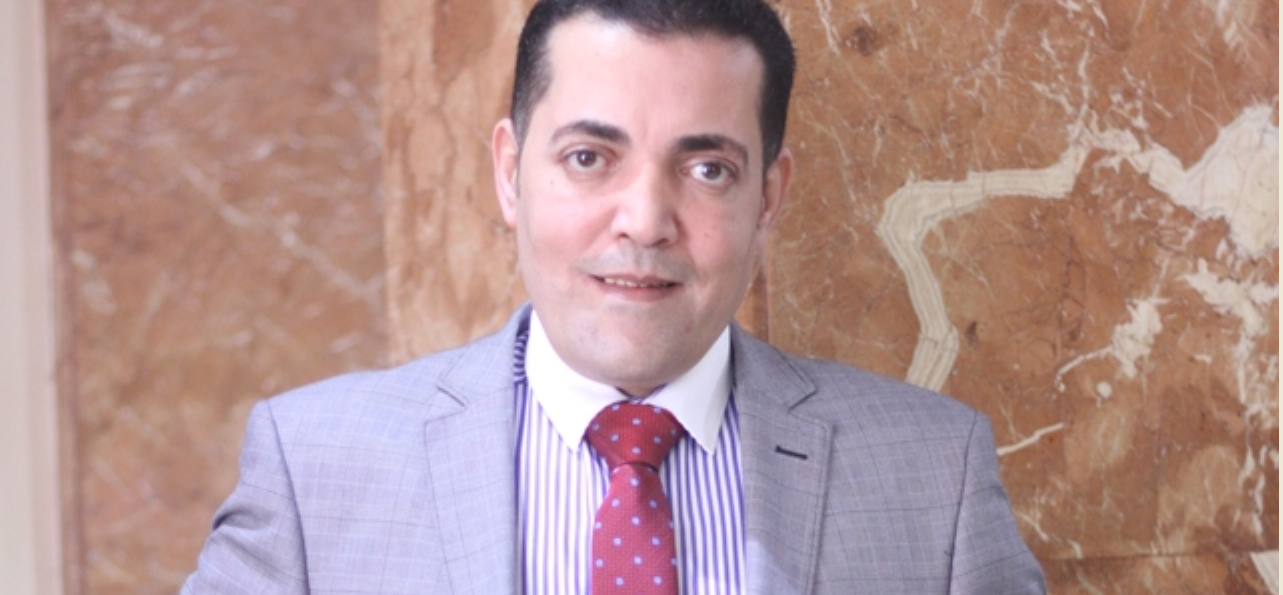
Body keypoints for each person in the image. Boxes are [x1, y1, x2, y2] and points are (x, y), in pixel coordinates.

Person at [181, 0, 1047, 593]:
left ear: (768, 196)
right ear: (509, 173)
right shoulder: (315, 469)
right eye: (589, 158)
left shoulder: (933, 473)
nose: (644, 220)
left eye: (706, 169)